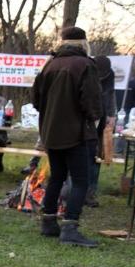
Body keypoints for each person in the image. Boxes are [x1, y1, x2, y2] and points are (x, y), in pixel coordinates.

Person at [32, 26, 101, 247]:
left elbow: (35, 99)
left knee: (57, 177)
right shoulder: (85, 64)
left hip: (51, 132)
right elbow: (91, 102)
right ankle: (70, 228)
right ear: (83, 43)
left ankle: (49, 222)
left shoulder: (50, 65)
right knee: (81, 181)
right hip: (76, 133)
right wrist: (94, 119)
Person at [85, 55, 118, 207]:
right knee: (82, 155)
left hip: (101, 118)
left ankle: (91, 193)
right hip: (86, 119)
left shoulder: (110, 74)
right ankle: (73, 191)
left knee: (96, 156)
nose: (103, 77)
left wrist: (111, 114)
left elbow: (110, 94)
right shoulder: (86, 70)